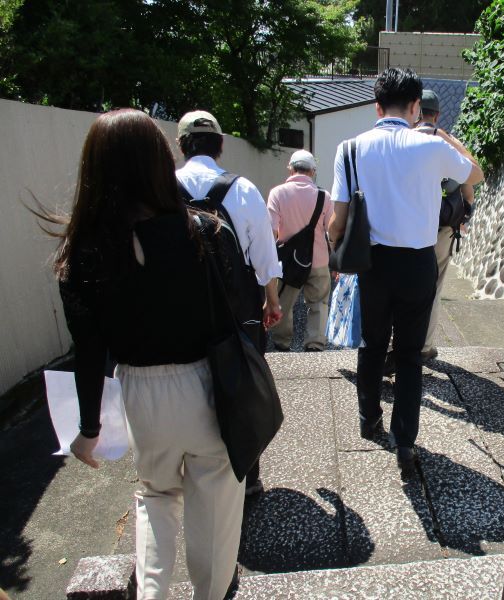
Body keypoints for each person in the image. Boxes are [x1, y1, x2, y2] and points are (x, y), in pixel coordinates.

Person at [45, 109, 245, 599]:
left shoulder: (85, 251)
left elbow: (88, 351)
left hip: (139, 392)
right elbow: (236, 312)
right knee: (215, 504)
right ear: (161, 160)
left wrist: (88, 430)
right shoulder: (204, 232)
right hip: (206, 386)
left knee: (155, 497)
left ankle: (152, 594)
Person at [328, 67, 484, 476]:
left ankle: (368, 420)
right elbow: (476, 172)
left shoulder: (349, 149)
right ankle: (405, 443)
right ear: (417, 107)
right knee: (411, 355)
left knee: (372, 345)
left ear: (376, 107)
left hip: (373, 263)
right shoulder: (430, 148)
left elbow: (336, 223)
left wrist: (335, 253)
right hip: (418, 263)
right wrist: (441, 135)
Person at [176, 110, 282, 496]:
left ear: (181, 145)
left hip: (183, 314)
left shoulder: (163, 188)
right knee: (244, 388)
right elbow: (266, 257)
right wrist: (271, 302)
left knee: (189, 386)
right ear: (220, 146)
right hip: (239, 313)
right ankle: (248, 476)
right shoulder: (242, 189)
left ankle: (196, 474)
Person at [415, 89, 475, 362]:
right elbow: (469, 186)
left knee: (402, 282)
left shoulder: (404, 141)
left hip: (410, 226)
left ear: (415, 111)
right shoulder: (449, 144)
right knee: (434, 286)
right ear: (437, 115)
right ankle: (424, 346)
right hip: (442, 230)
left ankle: (397, 342)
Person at [267, 150, 333, 352]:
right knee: (319, 302)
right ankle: (315, 343)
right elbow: (331, 229)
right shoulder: (324, 196)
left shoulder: (277, 193)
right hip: (319, 260)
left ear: (291, 168)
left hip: (289, 261)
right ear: (313, 171)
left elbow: (271, 229)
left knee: (284, 304)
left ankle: (282, 343)